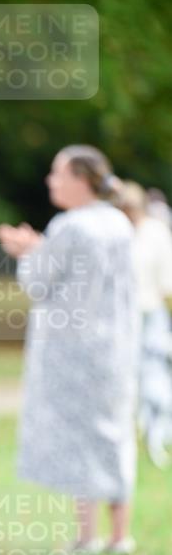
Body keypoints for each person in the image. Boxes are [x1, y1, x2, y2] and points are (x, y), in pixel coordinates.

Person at [0, 145, 138, 555]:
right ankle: (119, 534)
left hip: (73, 350)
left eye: (58, 172)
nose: (50, 180)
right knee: (114, 433)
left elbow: (38, 283)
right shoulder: (118, 222)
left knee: (80, 438)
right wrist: (41, 248)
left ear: (80, 178)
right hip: (115, 347)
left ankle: (86, 535)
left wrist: (26, 252)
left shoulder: (70, 225)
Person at [115, 181, 172, 466]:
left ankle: (156, 434)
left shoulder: (156, 232)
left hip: (151, 315)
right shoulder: (116, 232)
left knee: (154, 376)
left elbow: (166, 282)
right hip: (121, 316)